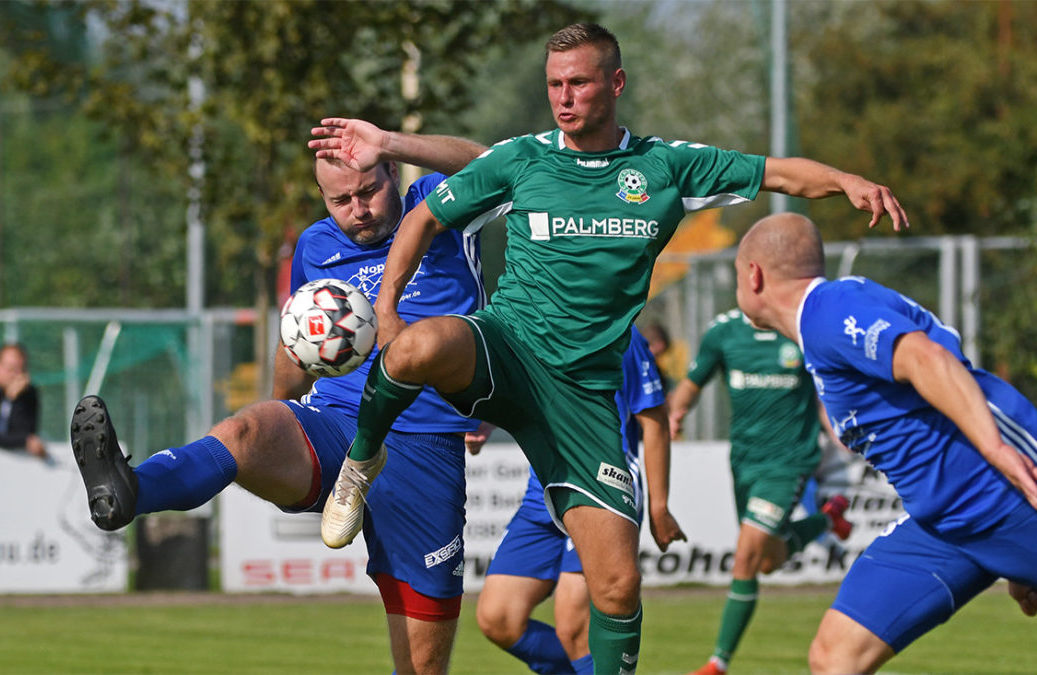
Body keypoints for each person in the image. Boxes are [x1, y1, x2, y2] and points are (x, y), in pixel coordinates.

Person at [315, 23, 907, 673]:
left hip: (586, 400)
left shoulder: (664, 166)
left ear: (615, 84)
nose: (563, 98)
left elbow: (776, 173)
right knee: (415, 346)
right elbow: (427, 216)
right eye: (553, 85)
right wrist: (391, 306)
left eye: (578, 82)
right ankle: (361, 461)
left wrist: (846, 180)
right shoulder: (525, 157)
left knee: (619, 586)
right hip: (509, 348)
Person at [69, 122, 488, 674]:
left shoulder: (437, 203)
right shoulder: (316, 245)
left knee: (420, 668)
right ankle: (132, 488)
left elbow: (491, 160)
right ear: (322, 197)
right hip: (337, 423)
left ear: (392, 170)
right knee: (245, 431)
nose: (357, 210)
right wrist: (278, 417)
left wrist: (390, 140)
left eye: (368, 191)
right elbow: (301, 342)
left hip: (423, 445)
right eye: (341, 200)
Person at [733, 211, 1037, 674]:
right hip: (945, 524)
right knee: (835, 658)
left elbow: (926, 357)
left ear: (753, 275)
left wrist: (996, 451)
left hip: (1001, 491)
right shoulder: (822, 328)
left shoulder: (826, 311)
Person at [473, 325, 684, 674]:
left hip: (602, 489)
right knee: (499, 618)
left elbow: (655, 420)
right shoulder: (531, 326)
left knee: (575, 628)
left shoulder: (620, 334)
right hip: (542, 491)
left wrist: (660, 506)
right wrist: (489, 423)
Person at [668, 308, 853, 675]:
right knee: (768, 560)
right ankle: (827, 520)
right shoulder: (723, 332)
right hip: (744, 463)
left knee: (746, 557)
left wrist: (841, 435)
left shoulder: (800, 332)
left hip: (790, 463)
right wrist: (676, 415)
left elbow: (822, 396)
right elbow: (692, 384)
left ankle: (717, 663)